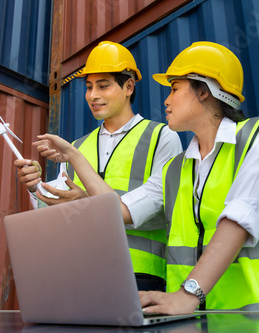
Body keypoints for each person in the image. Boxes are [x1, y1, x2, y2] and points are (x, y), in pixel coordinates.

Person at [35, 41, 259, 314]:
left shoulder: (258, 135)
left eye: (175, 89)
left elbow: (239, 218)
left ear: (204, 91)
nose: (166, 101)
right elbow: (118, 209)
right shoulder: (175, 169)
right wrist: (73, 156)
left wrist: (187, 294)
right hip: (201, 320)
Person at [14, 41, 183, 292]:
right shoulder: (78, 146)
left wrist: (87, 204)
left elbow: (162, 209)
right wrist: (35, 185)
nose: (93, 95)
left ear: (128, 86)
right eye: (89, 87)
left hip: (140, 274)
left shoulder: (162, 137)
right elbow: (57, 209)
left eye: (103, 86)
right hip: (83, 270)